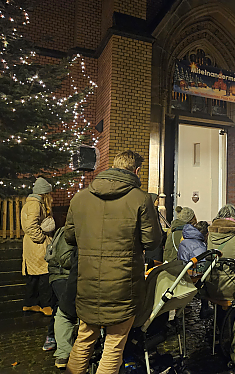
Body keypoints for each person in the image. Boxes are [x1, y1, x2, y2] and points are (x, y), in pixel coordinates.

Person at [63, 150, 162, 373]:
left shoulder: (80, 198)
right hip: (123, 286)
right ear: (137, 170)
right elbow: (152, 241)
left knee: (83, 339)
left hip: (87, 282)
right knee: (114, 346)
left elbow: (70, 237)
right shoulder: (141, 199)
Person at [21, 177, 57, 352]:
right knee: (44, 274)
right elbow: (31, 225)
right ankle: (45, 305)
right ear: (44, 193)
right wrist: (42, 238)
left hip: (33, 245)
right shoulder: (36, 204)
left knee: (33, 276)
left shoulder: (33, 203)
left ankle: (30, 302)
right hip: (37, 245)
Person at [46, 226, 77, 369]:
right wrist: (83, 256)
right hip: (62, 276)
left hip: (70, 275)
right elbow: (64, 259)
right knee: (64, 310)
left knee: (63, 308)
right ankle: (62, 350)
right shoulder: (68, 232)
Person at [178, 220, 212, 319]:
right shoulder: (200, 244)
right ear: (206, 234)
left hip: (184, 273)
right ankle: (205, 307)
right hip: (194, 276)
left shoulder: (184, 241)